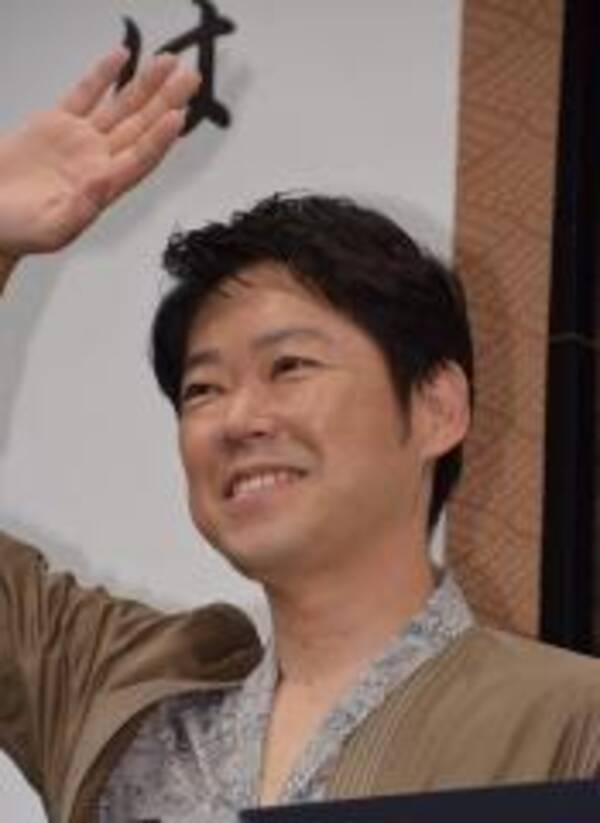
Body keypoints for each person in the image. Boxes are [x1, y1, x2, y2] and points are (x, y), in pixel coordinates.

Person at [1, 48, 600, 823]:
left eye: (289, 366)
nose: (238, 418)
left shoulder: (568, 723)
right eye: (203, 388)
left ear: (437, 407)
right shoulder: (117, 693)